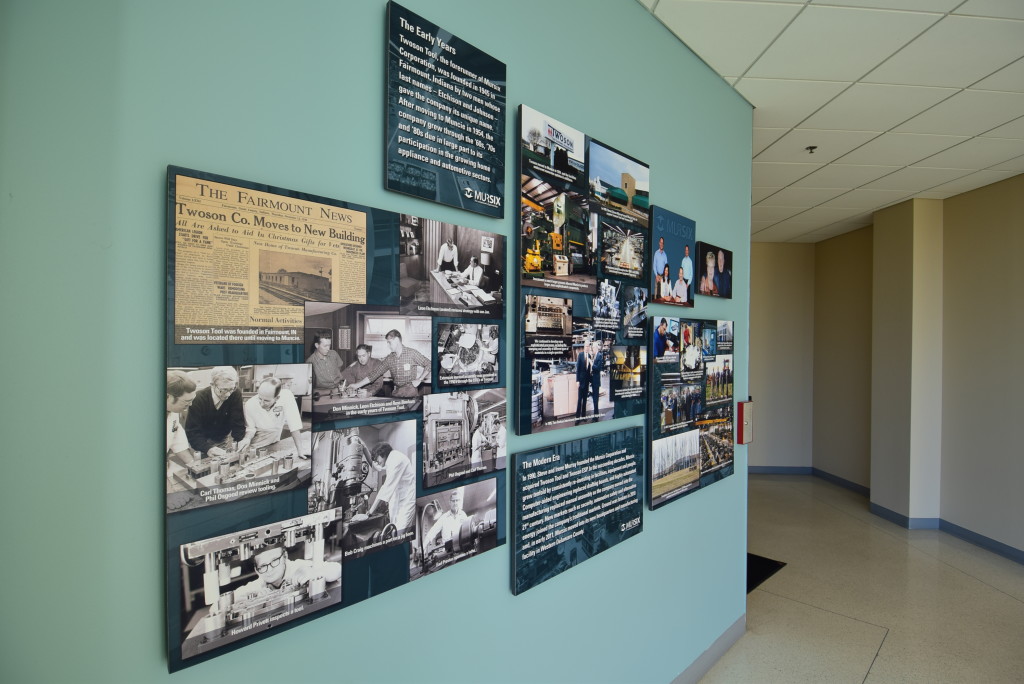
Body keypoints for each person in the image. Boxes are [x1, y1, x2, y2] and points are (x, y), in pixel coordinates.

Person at [235, 543, 341, 599]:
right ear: (256, 570)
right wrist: (254, 596)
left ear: (285, 556)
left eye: (275, 560)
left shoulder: (299, 567)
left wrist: (314, 573)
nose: (270, 569)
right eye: (263, 566)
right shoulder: (259, 583)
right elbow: (235, 596)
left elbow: (338, 569)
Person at [185, 366, 249, 457]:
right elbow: (192, 432)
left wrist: (240, 442)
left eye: (231, 389)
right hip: (200, 441)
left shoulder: (235, 393)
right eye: (223, 390)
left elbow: (238, 423)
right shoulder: (198, 398)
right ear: (212, 384)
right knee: (203, 468)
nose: (228, 394)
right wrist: (207, 448)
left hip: (221, 439)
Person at [347, 329, 429, 398]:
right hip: (396, 393)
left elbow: (429, 364)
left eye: (389, 342)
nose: (388, 345)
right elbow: (375, 374)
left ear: (396, 340)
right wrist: (356, 385)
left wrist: (419, 379)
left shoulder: (412, 353)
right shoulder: (390, 358)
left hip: (410, 392)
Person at [358, 442, 416, 532]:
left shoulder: (396, 459)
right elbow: (375, 466)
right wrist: (364, 447)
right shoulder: (389, 460)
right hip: (398, 498)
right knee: (394, 531)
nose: (377, 462)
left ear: (383, 454)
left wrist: (369, 513)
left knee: (400, 533)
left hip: (407, 501)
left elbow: (385, 489)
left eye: (377, 459)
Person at [242, 377, 305, 454]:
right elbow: (250, 429)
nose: (261, 404)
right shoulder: (250, 404)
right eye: (260, 398)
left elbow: (294, 425)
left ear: (277, 398)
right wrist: (247, 439)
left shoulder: (287, 396)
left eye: (266, 401)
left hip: (275, 440)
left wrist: (300, 450)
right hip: (257, 441)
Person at [423, 487, 469, 552]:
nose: (455, 503)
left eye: (457, 500)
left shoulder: (463, 515)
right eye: (453, 501)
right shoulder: (444, 517)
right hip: (447, 552)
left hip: (461, 548)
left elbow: (467, 531)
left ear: (460, 501)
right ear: (449, 502)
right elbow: (433, 531)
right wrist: (423, 545)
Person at [166, 370, 196, 460]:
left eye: (192, 400)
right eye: (187, 401)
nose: (190, 405)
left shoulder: (173, 412)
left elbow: (176, 439)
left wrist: (192, 465)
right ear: (169, 397)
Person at [575, 341, 604, 422]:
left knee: (584, 400)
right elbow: (578, 369)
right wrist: (577, 381)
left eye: (589, 347)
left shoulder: (590, 356)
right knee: (579, 400)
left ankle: (584, 416)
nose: (588, 348)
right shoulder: (580, 355)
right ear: (584, 347)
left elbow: (591, 370)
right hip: (581, 382)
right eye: (587, 346)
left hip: (587, 382)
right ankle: (577, 418)